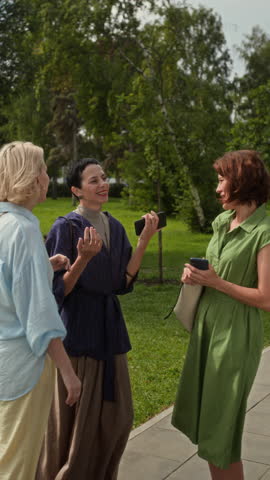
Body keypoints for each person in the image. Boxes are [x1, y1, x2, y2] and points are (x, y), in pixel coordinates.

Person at [36, 157, 159, 480]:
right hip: (78, 332)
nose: (103, 184)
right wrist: (82, 261)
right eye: (93, 180)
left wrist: (145, 239)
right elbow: (56, 291)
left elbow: (122, 284)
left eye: (104, 177)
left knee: (118, 417)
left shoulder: (115, 226)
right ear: (76, 190)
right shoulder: (66, 227)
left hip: (110, 330)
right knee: (74, 424)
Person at [172, 150, 270, 480]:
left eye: (221, 180)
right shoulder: (223, 222)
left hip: (235, 336)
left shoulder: (264, 232)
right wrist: (197, 275)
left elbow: (266, 298)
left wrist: (216, 281)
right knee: (209, 422)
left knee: (220, 433)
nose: (217, 189)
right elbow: (218, 268)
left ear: (241, 182)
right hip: (207, 328)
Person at [0, 141, 81, 480]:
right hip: (24, 369)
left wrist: (43, 266)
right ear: (31, 178)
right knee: (16, 467)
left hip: (4, 366)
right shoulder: (24, 229)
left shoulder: (4, 224)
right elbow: (40, 314)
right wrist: (67, 371)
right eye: (45, 169)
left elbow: (9, 282)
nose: (49, 177)